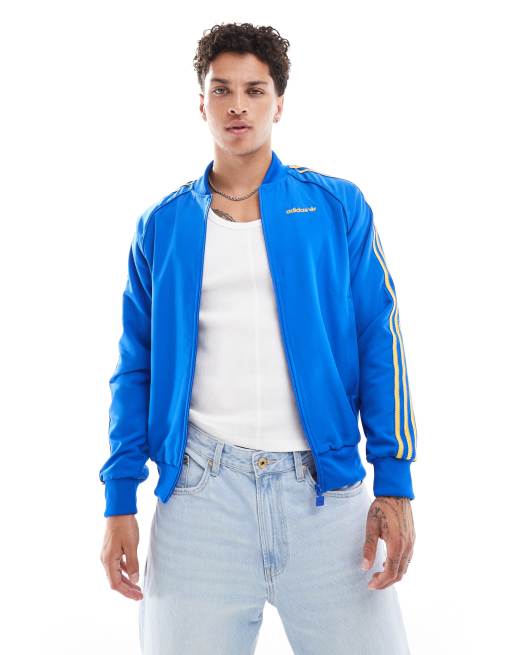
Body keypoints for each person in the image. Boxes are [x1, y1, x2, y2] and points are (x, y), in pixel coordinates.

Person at [99, 21, 417, 655]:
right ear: (201, 103)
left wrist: (394, 480)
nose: (237, 106)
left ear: (279, 102)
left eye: (254, 90)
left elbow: (379, 340)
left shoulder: (336, 207)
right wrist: (119, 499)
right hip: (200, 500)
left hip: (326, 497)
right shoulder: (163, 226)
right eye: (221, 90)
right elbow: (136, 366)